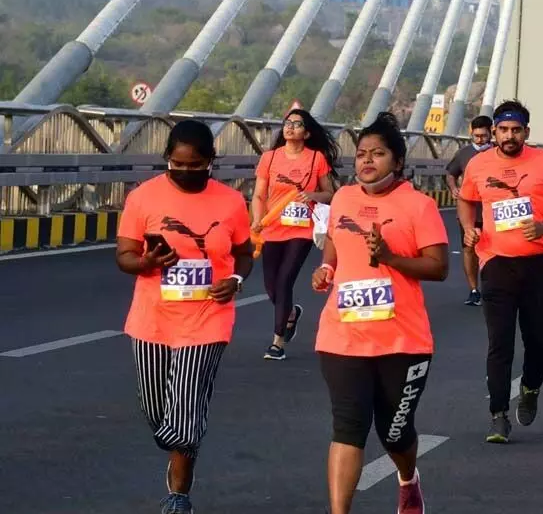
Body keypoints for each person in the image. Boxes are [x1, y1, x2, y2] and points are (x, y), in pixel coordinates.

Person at [311, 112, 449, 514]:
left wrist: (389, 257)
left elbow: (438, 267)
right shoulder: (343, 198)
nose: (367, 161)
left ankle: (408, 479)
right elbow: (335, 242)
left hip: (402, 340)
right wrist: (327, 268)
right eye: (361, 154)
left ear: (398, 161)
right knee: (348, 428)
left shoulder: (418, 206)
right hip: (342, 335)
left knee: (394, 432)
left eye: (378, 154)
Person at [115, 120, 253, 514]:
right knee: (159, 414)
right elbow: (124, 255)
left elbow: (244, 251)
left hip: (208, 317)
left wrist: (236, 279)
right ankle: (181, 441)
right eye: (178, 165)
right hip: (151, 319)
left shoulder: (229, 202)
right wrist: (146, 261)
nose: (187, 172)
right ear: (166, 160)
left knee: (187, 407)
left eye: (196, 166)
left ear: (211, 162)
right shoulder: (143, 198)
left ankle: (179, 496)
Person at [458, 100, 543, 443]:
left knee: (538, 341)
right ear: (494, 131)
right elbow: (466, 199)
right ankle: (498, 415)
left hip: (538, 263)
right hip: (495, 263)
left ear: (526, 132)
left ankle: (530, 387)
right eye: (503, 130)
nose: (509, 136)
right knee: (500, 344)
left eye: (516, 130)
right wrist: (469, 227)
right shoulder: (479, 165)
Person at [251, 109, 337, 361]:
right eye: (287, 123)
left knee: (284, 280)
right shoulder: (269, 158)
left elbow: (329, 193)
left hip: (301, 229)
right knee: (270, 285)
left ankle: (277, 342)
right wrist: (257, 219)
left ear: (306, 133)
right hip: (272, 226)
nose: (290, 127)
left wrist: (311, 196)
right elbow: (258, 194)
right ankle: (290, 314)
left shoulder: (316, 159)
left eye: (297, 124)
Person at [445, 115, 494, 306]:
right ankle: (474, 289)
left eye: (483, 136)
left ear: (491, 133)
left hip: (492, 211)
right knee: (469, 250)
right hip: (469, 211)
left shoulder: (499, 152)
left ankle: (492, 287)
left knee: (492, 251)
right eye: (476, 136)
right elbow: (451, 173)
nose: (480, 140)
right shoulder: (464, 153)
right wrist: (453, 188)